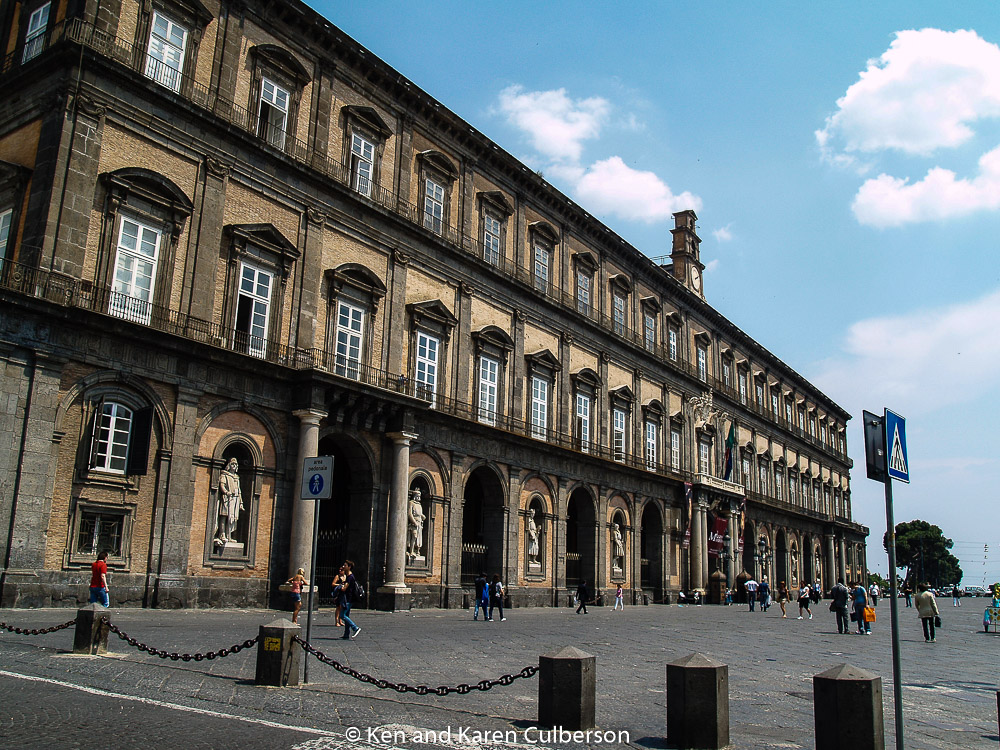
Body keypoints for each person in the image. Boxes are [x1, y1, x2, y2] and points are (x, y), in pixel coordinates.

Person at [214, 458, 243, 544]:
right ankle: (222, 534)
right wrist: (226, 492)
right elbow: (222, 485)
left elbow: (239, 490)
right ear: (229, 465)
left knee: (232, 518)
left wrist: (241, 502)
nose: (234, 466)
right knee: (224, 516)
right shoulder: (225, 475)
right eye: (232, 464)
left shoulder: (237, 477)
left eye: (236, 464)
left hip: (235, 499)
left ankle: (229, 535)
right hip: (227, 498)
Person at [339, 560, 361, 640]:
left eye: (345, 565)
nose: (343, 566)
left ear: (349, 567)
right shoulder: (349, 576)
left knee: (342, 615)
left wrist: (339, 586)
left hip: (348, 599)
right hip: (349, 598)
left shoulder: (350, 577)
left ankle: (355, 627)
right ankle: (346, 634)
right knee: (346, 616)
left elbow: (344, 588)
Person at [406, 489, 425, 561]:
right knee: (414, 536)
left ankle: (417, 551)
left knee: (419, 538)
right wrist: (414, 522)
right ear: (414, 496)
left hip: (419, 523)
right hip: (414, 523)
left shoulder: (419, 505)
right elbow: (410, 514)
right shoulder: (411, 503)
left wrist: (422, 516)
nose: (418, 498)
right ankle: (411, 551)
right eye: (417, 496)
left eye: (419, 496)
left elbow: (420, 514)